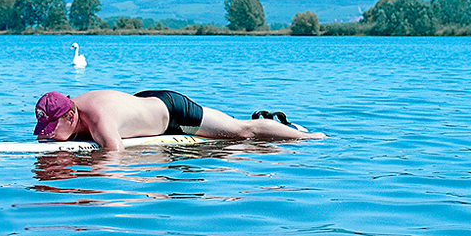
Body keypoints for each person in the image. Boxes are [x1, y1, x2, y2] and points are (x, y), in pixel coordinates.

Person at [33, 89, 325, 151]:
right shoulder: (67, 108)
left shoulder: (98, 119)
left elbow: (114, 155)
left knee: (241, 132)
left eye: (50, 128)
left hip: (173, 112)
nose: (45, 134)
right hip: (143, 103)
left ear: (71, 115)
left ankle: (305, 136)